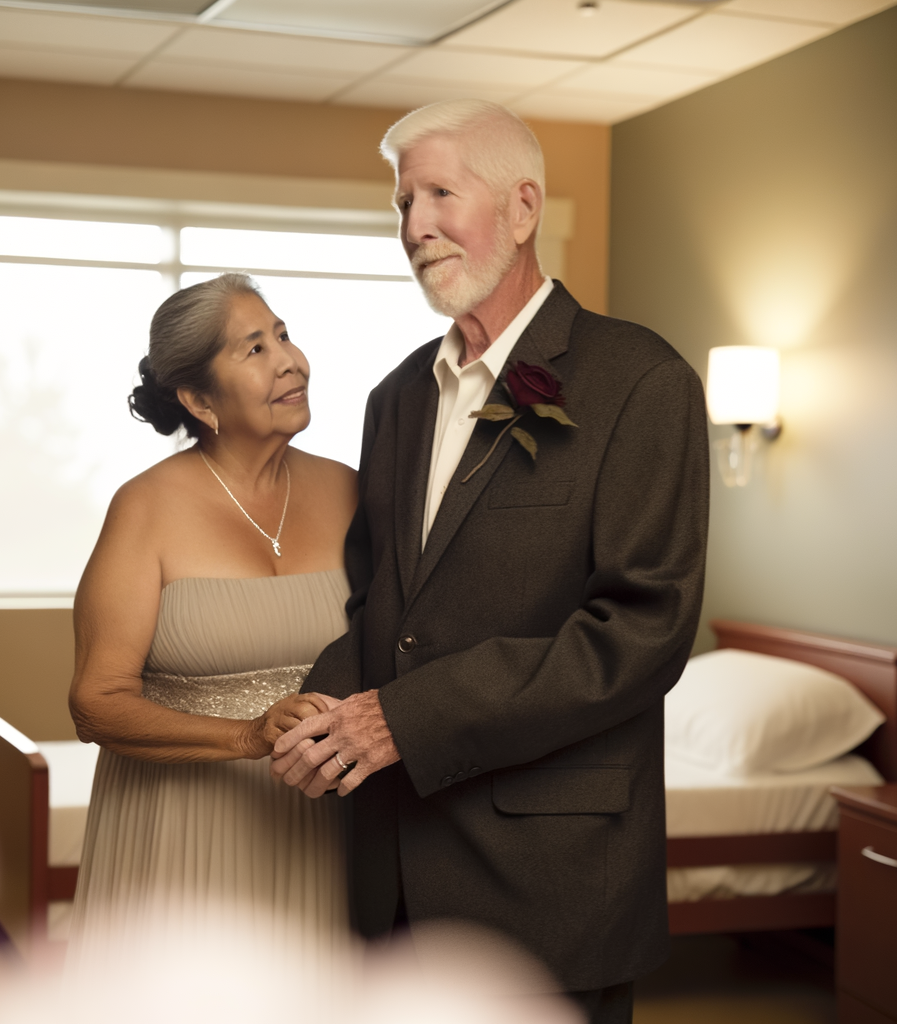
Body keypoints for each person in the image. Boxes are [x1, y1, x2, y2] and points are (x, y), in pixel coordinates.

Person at [270, 100, 710, 1022]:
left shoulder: (642, 381)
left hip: (546, 878)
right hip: (390, 871)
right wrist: (320, 708)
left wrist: (406, 720)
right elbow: (380, 605)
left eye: (439, 193)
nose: (414, 225)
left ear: (522, 208)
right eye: (400, 203)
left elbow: (639, 633)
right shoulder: (396, 398)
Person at [67, 273, 356, 961]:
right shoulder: (146, 507)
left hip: (328, 828)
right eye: (254, 349)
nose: (290, 359)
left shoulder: (351, 489)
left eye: (284, 334)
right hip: (184, 828)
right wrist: (248, 736)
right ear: (199, 399)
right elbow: (95, 703)